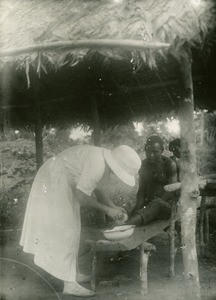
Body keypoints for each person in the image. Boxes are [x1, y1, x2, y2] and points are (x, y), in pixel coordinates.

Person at [20, 144, 141, 297]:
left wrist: (112, 205)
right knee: (66, 228)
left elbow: (94, 187)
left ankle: (71, 274)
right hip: (54, 178)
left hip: (62, 177)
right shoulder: (97, 163)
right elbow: (82, 196)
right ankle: (69, 284)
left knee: (73, 227)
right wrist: (107, 210)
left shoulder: (102, 157)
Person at [126, 136, 177, 226]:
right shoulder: (143, 165)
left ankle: (125, 227)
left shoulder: (169, 164)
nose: (151, 155)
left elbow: (171, 192)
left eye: (155, 152)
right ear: (145, 150)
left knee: (156, 204)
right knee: (127, 213)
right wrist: (138, 208)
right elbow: (142, 191)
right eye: (148, 151)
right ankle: (124, 226)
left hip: (168, 207)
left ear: (162, 150)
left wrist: (151, 205)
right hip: (150, 206)